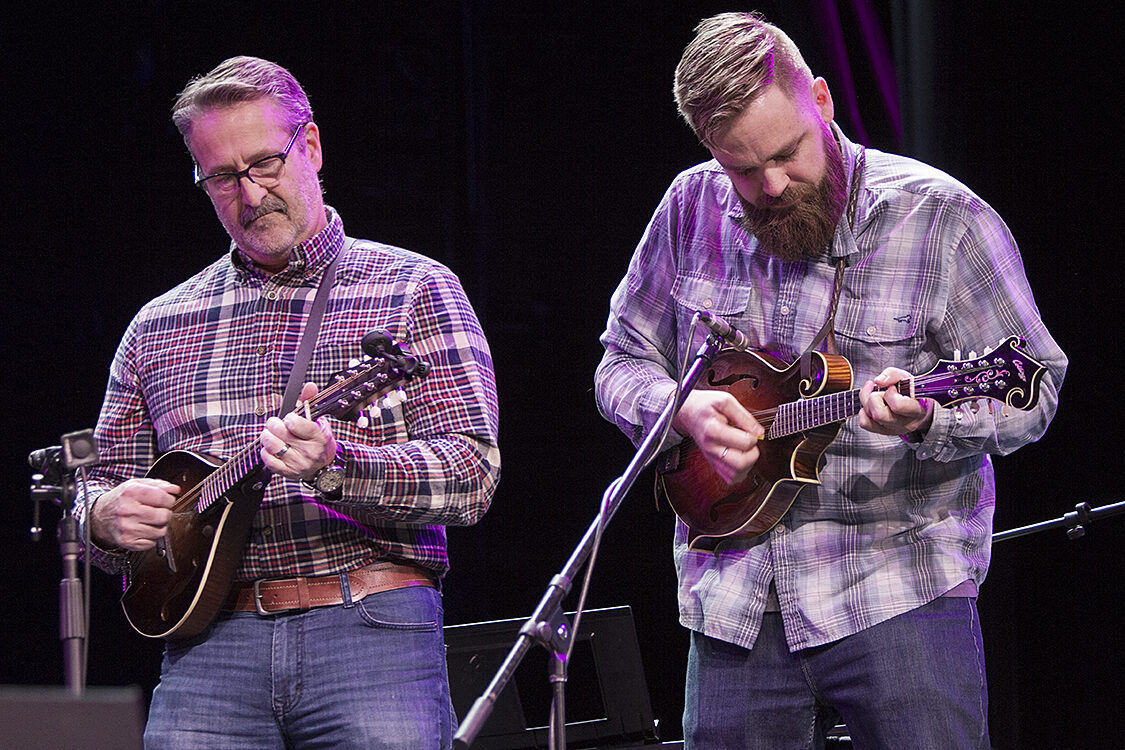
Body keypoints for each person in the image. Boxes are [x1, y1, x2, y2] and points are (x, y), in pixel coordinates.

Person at [594, 12, 1065, 750]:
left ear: (820, 98)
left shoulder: (940, 216)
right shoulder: (689, 207)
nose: (771, 184)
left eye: (785, 153)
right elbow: (620, 362)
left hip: (898, 587)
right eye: (741, 170)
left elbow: (1033, 387)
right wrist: (677, 412)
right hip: (734, 601)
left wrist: (926, 421)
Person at [76, 56, 500, 749]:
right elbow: (96, 483)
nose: (249, 195)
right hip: (207, 648)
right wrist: (103, 515)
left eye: (265, 164)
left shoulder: (415, 288)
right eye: (221, 177)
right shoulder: (158, 324)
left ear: (310, 147)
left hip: (370, 626)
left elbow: (472, 476)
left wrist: (339, 463)